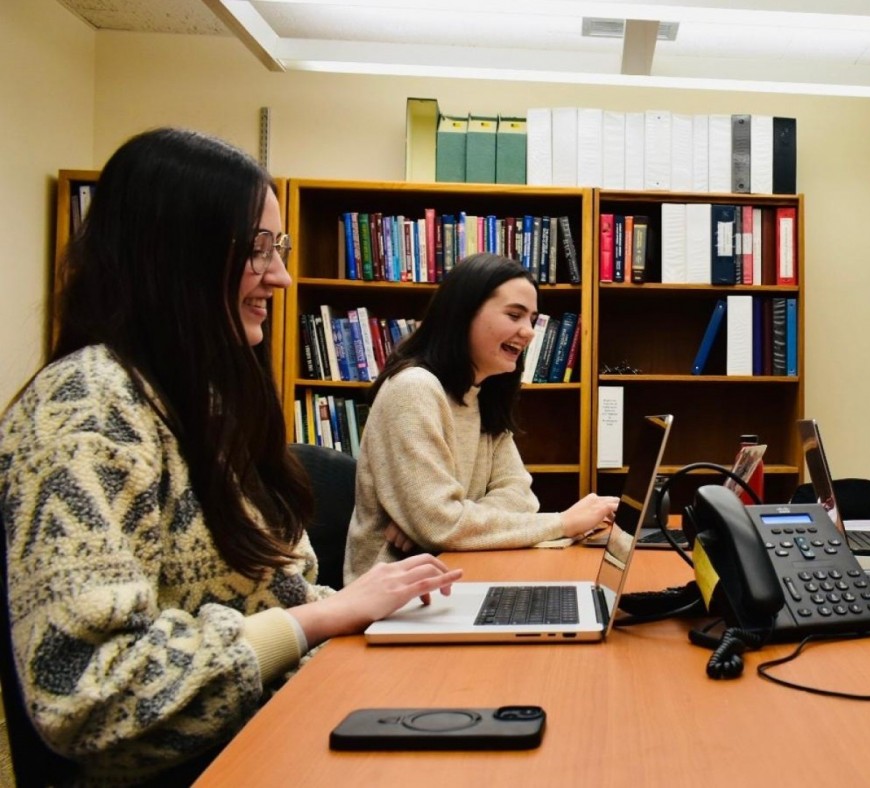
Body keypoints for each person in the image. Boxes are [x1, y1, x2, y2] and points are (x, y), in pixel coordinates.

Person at [0, 128, 463, 784]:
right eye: (258, 250)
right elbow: (88, 697)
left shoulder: (200, 404)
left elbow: (282, 598)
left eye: (282, 248)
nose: (282, 275)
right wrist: (322, 617)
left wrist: (367, 617)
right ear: (176, 257)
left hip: (277, 735)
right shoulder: (88, 407)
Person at [343, 254, 618, 584]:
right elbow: (442, 525)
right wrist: (563, 523)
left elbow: (519, 495)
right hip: (390, 596)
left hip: (457, 570)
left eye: (532, 319)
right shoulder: (414, 388)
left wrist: (448, 521)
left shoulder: (482, 393)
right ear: (463, 314)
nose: (529, 332)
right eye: (514, 315)